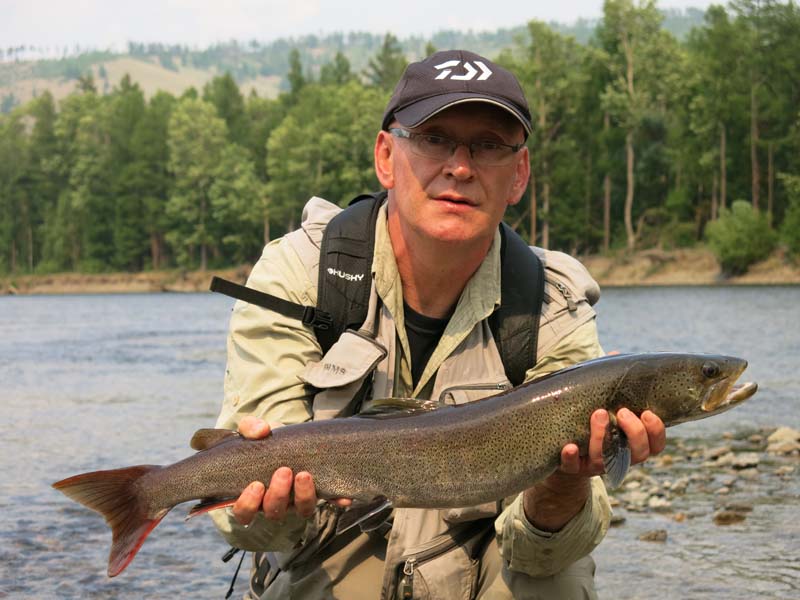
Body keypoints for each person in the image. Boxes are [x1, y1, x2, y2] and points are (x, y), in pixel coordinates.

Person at [210, 49, 666, 599]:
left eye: (489, 146)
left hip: (482, 555)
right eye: (434, 139)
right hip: (331, 546)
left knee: (557, 584)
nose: (460, 167)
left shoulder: (552, 306)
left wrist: (562, 489)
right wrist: (265, 507)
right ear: (386, 156)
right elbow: (249, 527)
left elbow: (546, 554)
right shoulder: (300, 273)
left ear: (519, 174)